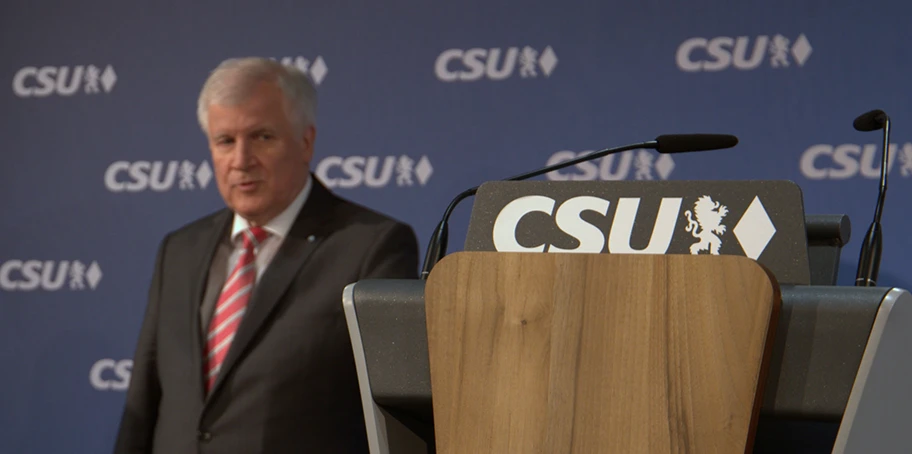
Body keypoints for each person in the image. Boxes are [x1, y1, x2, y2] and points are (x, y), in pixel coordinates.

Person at [113, 57, 419, 453]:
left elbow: (392, 410)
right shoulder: (179, 249)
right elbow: (144, 398)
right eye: (225, 141)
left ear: (305, 142)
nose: (241, 160)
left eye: (261, 137)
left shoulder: (371, 246)